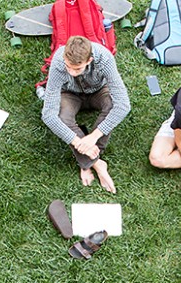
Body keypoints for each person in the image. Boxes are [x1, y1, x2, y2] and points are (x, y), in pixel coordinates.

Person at [41, 35, 131, 193]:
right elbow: (48, 115)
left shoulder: (104, 59)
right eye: (68, 67)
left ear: (89, 60)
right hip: (70, 94)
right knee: (62, 118)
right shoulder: (58, 61)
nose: (71, 72)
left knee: (112, 105)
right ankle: (96, 162)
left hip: (98, 91)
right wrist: (77, 142)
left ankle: (90, 158)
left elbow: (123, 105)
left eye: (77, 68)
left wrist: (93, 136)